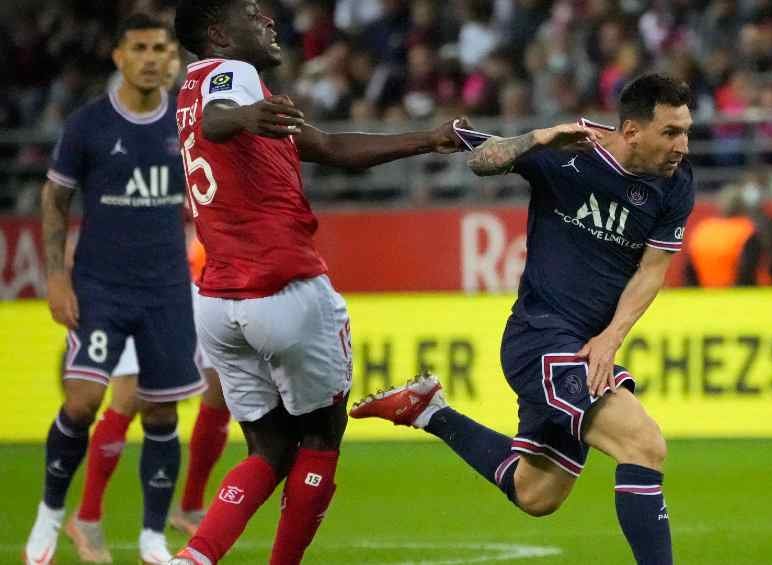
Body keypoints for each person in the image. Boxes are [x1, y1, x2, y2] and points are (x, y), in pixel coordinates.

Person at [353, 74, 695, 565]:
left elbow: (652, 271)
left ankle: (429, 410)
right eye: (670, 132)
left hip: (583, 347)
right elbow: (479, 160)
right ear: (632, 130)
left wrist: (610, 339)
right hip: (539, 338)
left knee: (536, 494)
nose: (682, 145)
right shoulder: (569, 151)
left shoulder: (676, 183)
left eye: (686, 131)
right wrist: (537, 138)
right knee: (643, 444)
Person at [168, 1, 466, 563]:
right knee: (320, 439)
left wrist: (429, 139)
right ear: (216, 33)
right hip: (283, 287)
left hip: (220, 303)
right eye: (251, 13)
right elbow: (219, 118)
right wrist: (241, 116)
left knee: (269, 448)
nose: (269, 20)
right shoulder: (232, 78)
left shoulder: (191, 91)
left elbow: (329, 148)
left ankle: (195, 557)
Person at [25, 14, 205, 565]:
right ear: (119, 56)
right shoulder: (89, 125)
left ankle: (152, 535)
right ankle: (49, 518)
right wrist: (56, 276)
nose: (151, 57)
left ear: (171, 56)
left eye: (160, 47)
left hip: (168, 289)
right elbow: (55, 200)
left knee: (160, 412)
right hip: (101, 287)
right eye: (140, 48)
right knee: (81, 402)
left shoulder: (185, 122)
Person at [684, 185, 761, 287]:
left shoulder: (703, 229)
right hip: (736, 294)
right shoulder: (747, 230)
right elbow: (747, 269)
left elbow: (689, 269)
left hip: (704, 293)